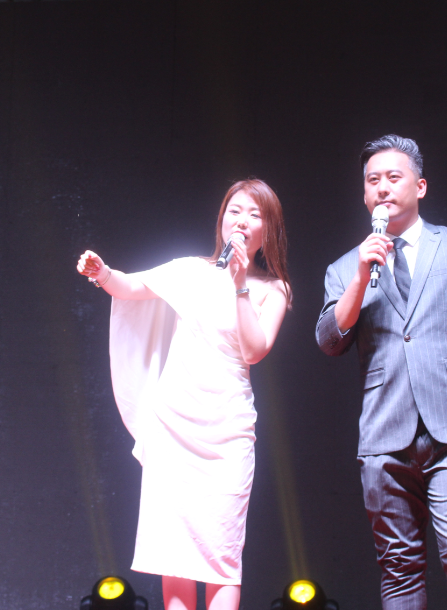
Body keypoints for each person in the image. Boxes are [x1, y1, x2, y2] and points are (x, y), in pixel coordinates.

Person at [315, 135, 447, 610]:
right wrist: (360, 276)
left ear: (420, 186)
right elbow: (329, 340)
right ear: (364, 194)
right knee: (398, 567)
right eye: (372, 180)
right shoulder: (345, 268)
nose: (382, 187)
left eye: (393, 177)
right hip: (385, 433)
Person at [77, 179, 291, 610]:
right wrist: (103, 273)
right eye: (235, 210)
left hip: (227, 435)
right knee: (174, 555)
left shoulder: (274, 289)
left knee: (222, 557)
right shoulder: (193, 271)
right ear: (222, 219)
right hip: (174, 427)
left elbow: (254, 350)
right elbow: (131, 287)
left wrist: (240, 283)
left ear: (268, 229)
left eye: (254, 214)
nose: (242, 220)